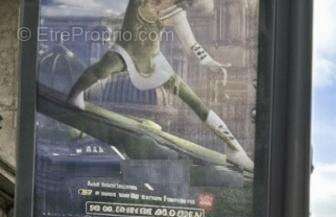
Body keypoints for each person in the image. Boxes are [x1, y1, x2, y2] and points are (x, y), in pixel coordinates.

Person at [66, 0, 254, 170]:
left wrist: (210, 62)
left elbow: (192, 45)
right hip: (124, 53)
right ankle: (75, 95)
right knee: (100, 71)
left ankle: (235, 150)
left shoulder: (176, 13)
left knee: (196, 103)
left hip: (153, 63)